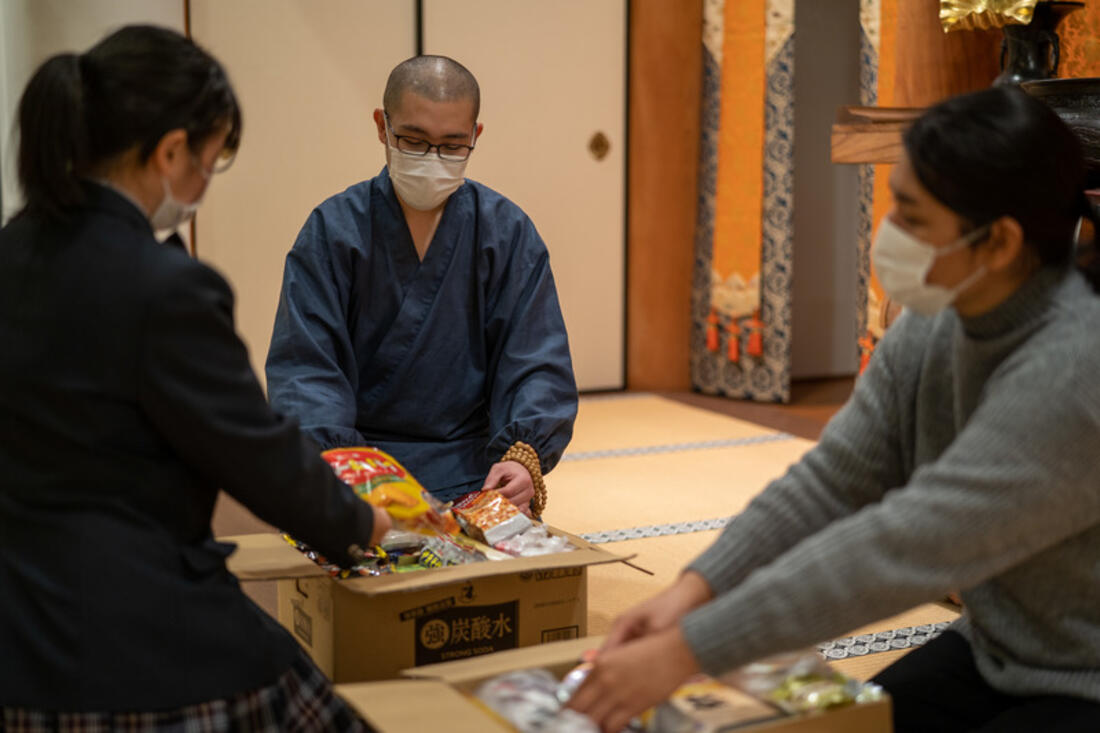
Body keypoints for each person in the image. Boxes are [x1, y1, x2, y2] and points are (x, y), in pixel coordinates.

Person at [568, 86, 1100, 733]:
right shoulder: (940, 317)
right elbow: (834, 478)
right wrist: (693, 591)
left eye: (911, 216)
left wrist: (689, 650)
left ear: (998, 243)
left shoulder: (1073, 370)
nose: (889, 234)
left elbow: (901, 547)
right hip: (998, 648)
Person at [0, 26, 390, 730]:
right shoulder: (165, 288)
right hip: (140, 637)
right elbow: (256, 451)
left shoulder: (9, 254)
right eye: (209, 164)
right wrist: (357, 521)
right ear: (170, 150)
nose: (201, 187)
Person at [265, 55, 577, 514]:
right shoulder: (334, 230)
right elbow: (306, 366)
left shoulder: (507, 232)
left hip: (477, 471)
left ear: (476, 135)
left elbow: (536, 359)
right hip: (356, 471)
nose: (433, 159)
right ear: (382, 126)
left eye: (452, 146)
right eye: (413, 140)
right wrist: (341, 463)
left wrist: (523, 456)